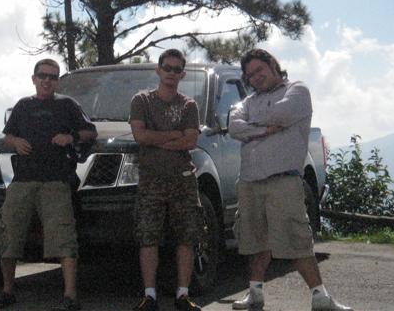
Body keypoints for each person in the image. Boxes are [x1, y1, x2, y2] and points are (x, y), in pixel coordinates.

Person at [228, 49, 352, 311]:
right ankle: (255, 293)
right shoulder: (247, 101)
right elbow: (234, 126)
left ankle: (321, 297)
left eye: (259, 70)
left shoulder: (297, 90)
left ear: (273, 65)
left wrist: (252, 127)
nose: (256, 77)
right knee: (255, 241)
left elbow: (282, 115)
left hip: (283, 180)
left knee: (296, 240)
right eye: (250, 75)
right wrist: (265, 129)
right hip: (249, 181)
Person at [0, 59, 97, 311]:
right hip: (22, 181)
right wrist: (15, 142)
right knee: (8, 234)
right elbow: (7, 137)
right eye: (42, 75)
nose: (47, 80)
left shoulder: (68, 105)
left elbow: (90, 132)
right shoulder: (23, 105)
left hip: (56, 181)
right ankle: (7, 291)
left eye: (52, 76)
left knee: (64, 237)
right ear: (34, 78)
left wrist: (70, 136)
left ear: (57, 80)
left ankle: (70, 296)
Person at [129, 49, 203, 311]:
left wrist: (156, 138)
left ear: (182, 74)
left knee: (187, 237)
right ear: (158, 70)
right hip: (151, 181)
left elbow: (190, 141)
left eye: (176, 69)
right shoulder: (142, 101)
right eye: (167, 68)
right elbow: (140, 136)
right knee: (148, 238)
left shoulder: (189, 105)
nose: (171, 73)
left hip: (183, 181)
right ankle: (150, 296)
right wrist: (173, 135)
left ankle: (183, 295)